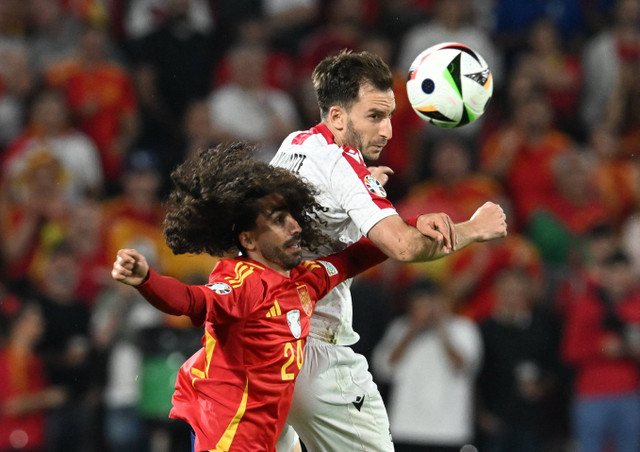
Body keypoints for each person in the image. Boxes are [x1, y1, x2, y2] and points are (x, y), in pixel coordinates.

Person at [270, 49, 507, 451]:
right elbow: (403, 246)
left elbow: (320, 215)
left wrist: (361, 190)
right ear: (338, 116)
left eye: (391, 115)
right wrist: (474, 228)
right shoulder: (342, 165)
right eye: (375, 116)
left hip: (263, 344)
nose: (389, 131)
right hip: (314, 351)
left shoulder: (296, 144)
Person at [110, 142, 395, 452]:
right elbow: (193, 301)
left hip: (263, 440)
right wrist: (146, 280)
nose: (295, 227)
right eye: (278, 221)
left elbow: (351, 260)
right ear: (248, 239)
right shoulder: (243, 282)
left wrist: (382, 209)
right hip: (228, 439)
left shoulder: (303, 281)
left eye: (291, 217)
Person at [371, 278, 483, 451]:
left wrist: (441, 329)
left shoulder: (463, 328)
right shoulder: (400, 328)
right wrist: (413, 329)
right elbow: (384, 369)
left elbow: (463, 367)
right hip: (406, 428)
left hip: (450, 432)